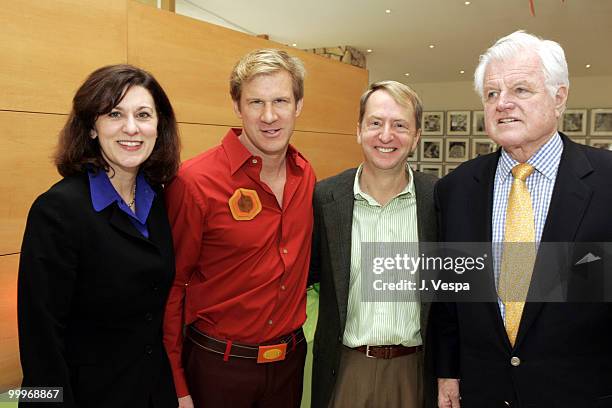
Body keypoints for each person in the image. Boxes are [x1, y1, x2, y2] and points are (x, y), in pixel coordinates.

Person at [433, 31, 612, 407]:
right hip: (483, 392)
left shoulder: (607, 180)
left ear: (559, 97)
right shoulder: (456, 188)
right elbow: (450, 296)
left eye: (520, 90)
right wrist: (447, 371)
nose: (503, 104)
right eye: (492, 94)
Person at [18, 64, 181, 407]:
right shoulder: (57, 210)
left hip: (153, 391)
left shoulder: (158, 199)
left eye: (143, 114)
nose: (131, 128)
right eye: (114, 114)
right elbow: (39, 342)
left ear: (158, 125)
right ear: (92, 127)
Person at [163, 49, 315, 408]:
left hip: (289, 365)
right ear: (237, 106)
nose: (269, 116)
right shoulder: (194, 181)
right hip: (219, 368)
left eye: (280, 100)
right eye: (255, 102)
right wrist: (176, 384)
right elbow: (171, 287)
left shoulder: (305, 174)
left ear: (298, 105)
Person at [311, 80, 437, 408]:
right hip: (345, 370)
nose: (386, 136)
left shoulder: (438, 200)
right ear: (358, 130)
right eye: (376, 123)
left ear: (416, 137)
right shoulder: (325, 198)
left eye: (400, 125)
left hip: (415, 372)